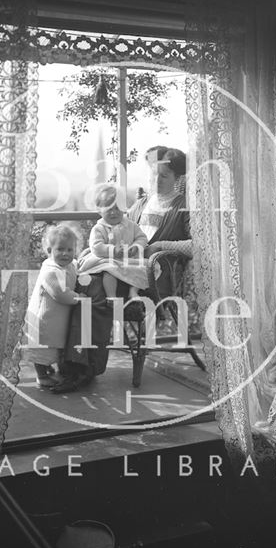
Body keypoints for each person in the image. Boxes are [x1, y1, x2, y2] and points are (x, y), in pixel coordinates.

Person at [53, 146, 191, 394]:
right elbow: (118, 230)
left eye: (164, 176)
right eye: (153, 174)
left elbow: (198, 245)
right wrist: (94, 251)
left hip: (151, 276)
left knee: (93, 294)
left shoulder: (183, 207)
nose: (156, 181)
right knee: (83, 289)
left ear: (178, 178)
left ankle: (82, 369)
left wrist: (160, 244)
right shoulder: (142, 203)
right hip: (121, 269)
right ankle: (73, 364)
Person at [19, 225, 80, 388]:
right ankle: (41, 376)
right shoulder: (51, 271)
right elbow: (60, 293)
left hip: (56, 318)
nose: (65, 253)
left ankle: (48, 369)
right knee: (42, 349)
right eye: (60, 249)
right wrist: (79, 298)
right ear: (49, 250)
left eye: (70, 249)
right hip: (44, 319)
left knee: (54, 347)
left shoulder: (70, 265)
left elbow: (75, 268)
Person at [78, 184, 149, 299]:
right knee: (109, 270)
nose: (113, 213)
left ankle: (133, 291)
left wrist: (136, 246)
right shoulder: (99, 228)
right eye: (109, 209)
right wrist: (113, 250)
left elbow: (142, 237)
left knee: (146, 268)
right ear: (99, 211)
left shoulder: (130, 225)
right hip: (108, 259)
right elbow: (96, 246)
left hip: (128, 260)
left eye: (117, 208)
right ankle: (111, 296)